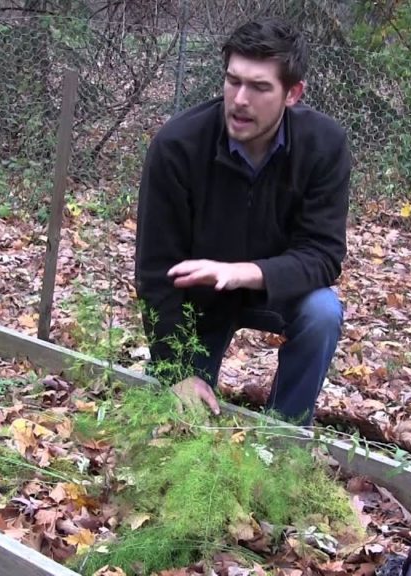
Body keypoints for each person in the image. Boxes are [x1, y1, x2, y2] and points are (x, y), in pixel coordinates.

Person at [133, 17, 352, 426]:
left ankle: (285, 437)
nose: (240, 99)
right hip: (200, 300)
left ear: (293, 93)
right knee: (178, 421)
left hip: (278, 291)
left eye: (259, 87)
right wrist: (176, 371)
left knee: (323, 311)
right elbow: (155, 271)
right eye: (233, 81)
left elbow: (324, 255)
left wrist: (244, 273)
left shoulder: (324, 145)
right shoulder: (177, 146)